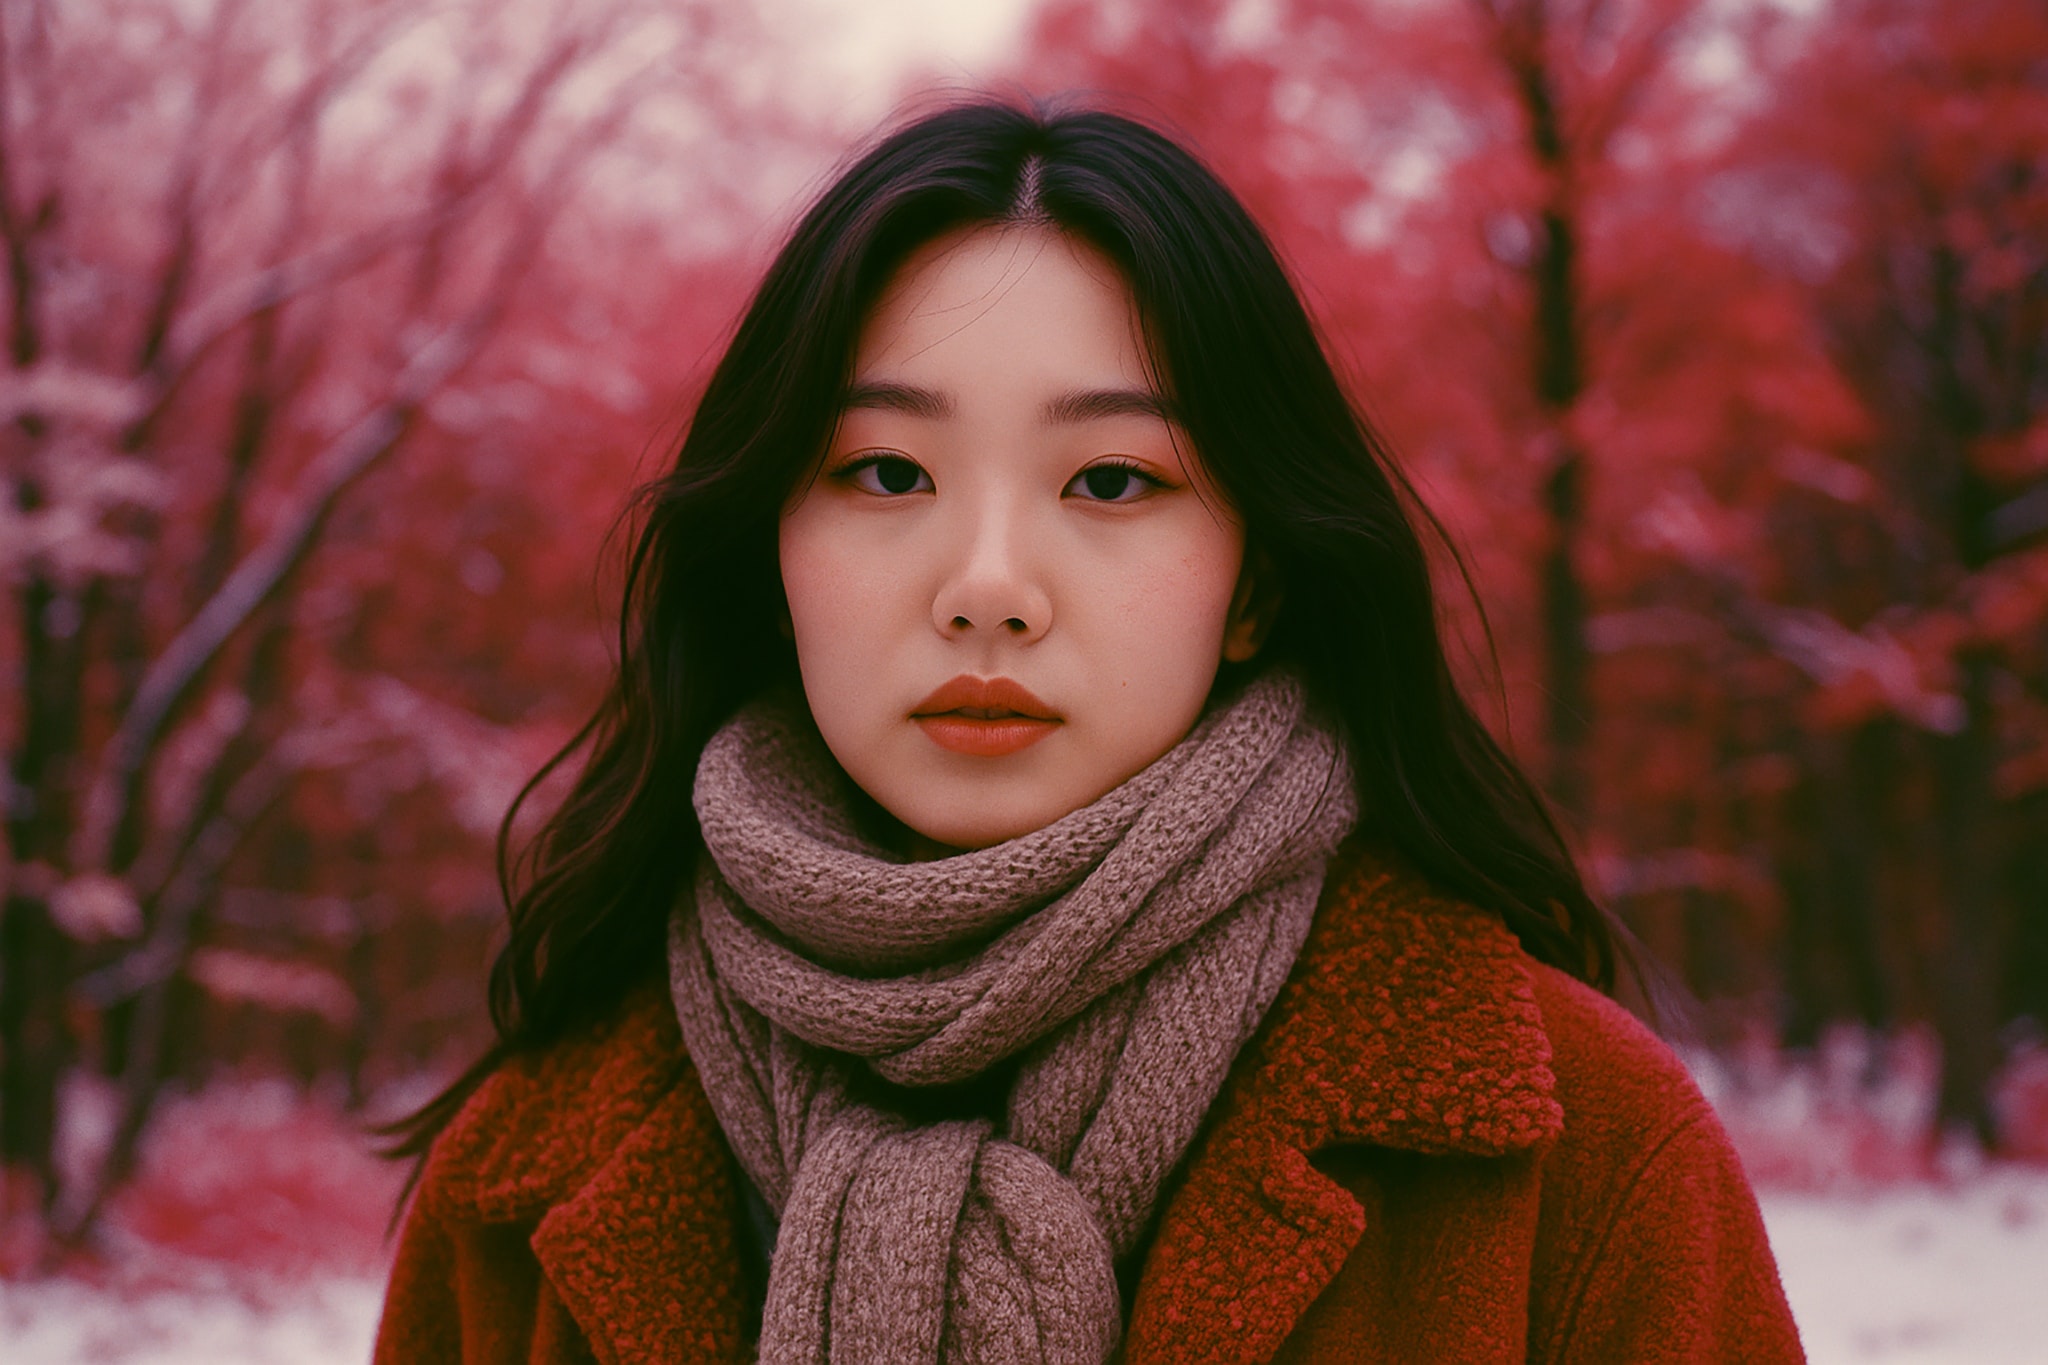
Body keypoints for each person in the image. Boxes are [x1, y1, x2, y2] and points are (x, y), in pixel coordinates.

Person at [372, 98, 1805, 1363]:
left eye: (1113, 479)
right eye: (885, 470)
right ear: (772, 554)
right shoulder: (521, 1180)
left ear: (1259, 580)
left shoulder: (1585, 1155)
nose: (988, 586)